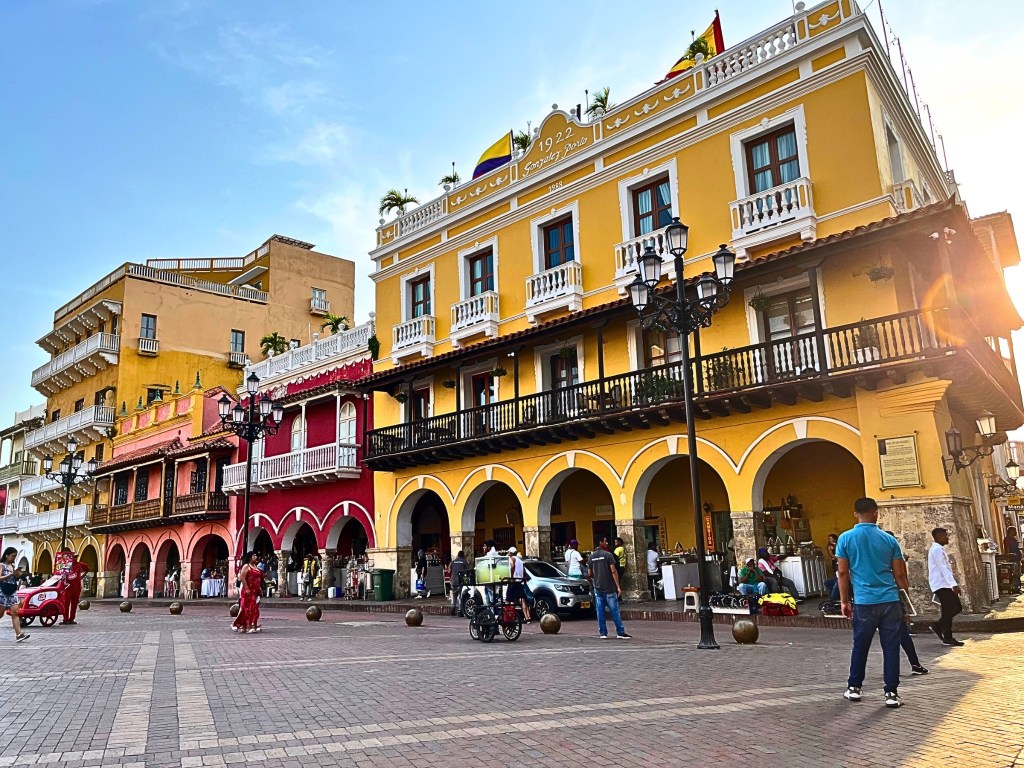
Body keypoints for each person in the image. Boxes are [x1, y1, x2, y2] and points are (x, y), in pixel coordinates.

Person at [836, 497, 909, 709]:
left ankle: (854, 688)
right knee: (891, 647)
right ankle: (891, 693)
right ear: (876, 513)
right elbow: (900, 575)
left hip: (864, 601)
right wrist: (906, 598)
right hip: (889, 600)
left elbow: (842, 572)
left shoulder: (845, 539)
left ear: (855, 514)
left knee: (860, 645)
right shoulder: (889, 540)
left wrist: (843, 601)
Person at [588, 536, 630, 639]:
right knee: (614, 611)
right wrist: (618, 586)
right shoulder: (608, 555)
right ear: (600, 542)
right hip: (609, 588)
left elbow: (589, 573)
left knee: (600, 611)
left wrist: (596, 579)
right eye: (605, 541)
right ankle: (620, 632)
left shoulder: (591, 557)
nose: (607, 543)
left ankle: (603, 633)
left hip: (598, 588)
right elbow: (613, 570)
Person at [927, 527, 963, 647]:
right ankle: (946, 634)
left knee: (953, 609)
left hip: (943, 584)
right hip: (941, 584)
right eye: (945, 536)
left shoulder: (938, 549)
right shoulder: (937, 550)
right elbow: (943, 568)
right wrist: (953, 585)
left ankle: (940, 627)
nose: (947, 538)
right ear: (939, 537)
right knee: (953, 608)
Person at [1, 547, 29, 642]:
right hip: (3, 591)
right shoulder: (2, 565)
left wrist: (18, 575)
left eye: (15, 556)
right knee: (0, 614)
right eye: (13, 556)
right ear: (6, 555)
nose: (14, 558)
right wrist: (10, 575)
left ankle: (19, 634)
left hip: (12, 591)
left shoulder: (12, 566)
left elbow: (13, 578)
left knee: (15, 613)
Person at [232, 551, 263, 634]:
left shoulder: (255, 566)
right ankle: (246, 625)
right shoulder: (247, 566)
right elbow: (242, 577)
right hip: (248, 590)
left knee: (254, 609)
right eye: (254, 555)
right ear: (250, 557)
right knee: (248, 608)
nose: (256, 557)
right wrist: (246, 588)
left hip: (255, 590)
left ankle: (251, 625)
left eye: (256, 555)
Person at [58, 547, 89, 625]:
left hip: (76, 588)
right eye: (73, 557)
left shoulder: (80, 565)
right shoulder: (65, 565)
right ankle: (65, 619)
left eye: (75, 557)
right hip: (67, 588)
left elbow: (87, 569)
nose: (75, 559)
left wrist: (82, 577)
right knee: (66, 604)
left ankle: (72, 619)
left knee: (74, 604)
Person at [505, 547, 531, 623]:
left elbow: (512, 566)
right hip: (519, 582)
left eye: (509, 552)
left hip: (513, 582)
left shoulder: (512, 558)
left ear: (511, 553)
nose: (508, 553)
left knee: (508, 600)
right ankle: (527, 617)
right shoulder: (520, 561)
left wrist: (512, 577)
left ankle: (508, 616)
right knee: (522, 600)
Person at [449, 550, 469, 615]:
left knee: (454, 595)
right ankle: (460, 611)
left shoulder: (453, 562)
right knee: (460, 596)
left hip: (453, 581)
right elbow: (467, 571)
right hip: (460, 581)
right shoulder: (464, 562)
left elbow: (449, 571)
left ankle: (453, 609)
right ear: (463, 556)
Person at [1003, 527, 1021, 593]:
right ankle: (1014, 588)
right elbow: (1007, 549)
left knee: (1018, 573)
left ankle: (1017, 587)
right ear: (1011, 531)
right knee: (1014, 573)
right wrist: (1010, 555)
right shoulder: (1007, 539)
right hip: (1012, 558)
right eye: (1014, 531)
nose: (1015, 532)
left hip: (1017, 557)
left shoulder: (1014, 539)